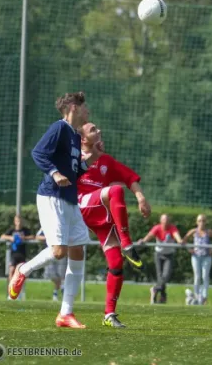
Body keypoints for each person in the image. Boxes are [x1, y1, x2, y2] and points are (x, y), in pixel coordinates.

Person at [8, 92, 102, 329]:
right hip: (52, 196)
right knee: (59, 251)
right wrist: (55, 173)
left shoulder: (72, 135)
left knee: (78, 250)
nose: (87, 111)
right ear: (73, 107)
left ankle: (65, 313)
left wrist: (94, 157)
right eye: (84, 107)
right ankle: (23, 269)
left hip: (69, 199)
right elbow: (38, 153)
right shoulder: (59, 128)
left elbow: (75, 170)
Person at [77, 122, 151, 328]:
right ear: (83, 139)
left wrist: (141, 197)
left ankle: (109, 314)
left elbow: (129, 177)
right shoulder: (72, 156)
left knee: (116, 263)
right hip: (82, 204)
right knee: (115, 191)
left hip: (100, 211)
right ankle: (127, 243)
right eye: (93, 130)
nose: (99, 131)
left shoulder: (106, 160)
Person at [138, 214, 182, 304]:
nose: (165, 223)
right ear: (161, 221)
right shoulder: (157, 228)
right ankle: (162, 298)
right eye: (164, 221)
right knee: (160, 277)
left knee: (165, 276)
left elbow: (176, 236)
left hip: (169, 255)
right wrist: (143, 241)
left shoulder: (172, 228)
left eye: (167, 221)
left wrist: (180, 241)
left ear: (169, 222)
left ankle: (154, 289)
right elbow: (149, 236)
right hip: (159, 255)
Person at [182, 214, 212, 305]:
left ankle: (204, 297)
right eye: (199, 221)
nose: (201, 223)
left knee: (205, 276)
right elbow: (183, 240)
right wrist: (189, 250)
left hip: (206, 257)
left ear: (206, 222)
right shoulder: (193, 231)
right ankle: (196, 295)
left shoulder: (209, 232)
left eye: (203, 221)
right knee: (197, 276)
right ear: (197, 222)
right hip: (196, 256)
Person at [0, 215, 34, 300]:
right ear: (14, 221)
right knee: (11, 271)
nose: (19, 222)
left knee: (22, 274)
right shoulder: (12, 230)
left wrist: (24, 238)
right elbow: (2, 236)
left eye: (20, 221)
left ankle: (19, 293)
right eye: (17, 221)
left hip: (22, 255)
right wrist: (10, 237)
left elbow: (33, 236)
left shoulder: (25, 230)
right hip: (13, 255)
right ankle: (11, 292)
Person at [36, 229, 67, 301]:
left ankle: (59, 293)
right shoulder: (46, 224)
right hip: (50, 254)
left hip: (61, 253)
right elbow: (37, 236)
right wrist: (49, 238)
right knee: (51, 275)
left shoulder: (62, 223)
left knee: (62, 275)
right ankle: (60, 289)